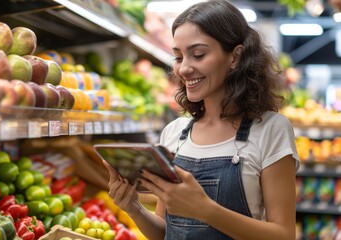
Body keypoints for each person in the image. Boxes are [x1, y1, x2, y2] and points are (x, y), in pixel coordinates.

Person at [102, 1, 299, 239]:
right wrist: (134, 209)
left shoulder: (270, 129)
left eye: (198, 54)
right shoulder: (174, 132)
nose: (184, 69)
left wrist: (206, 210)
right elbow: (167, 232)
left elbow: (284, 234)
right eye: (178, 57)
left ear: (235, 57)